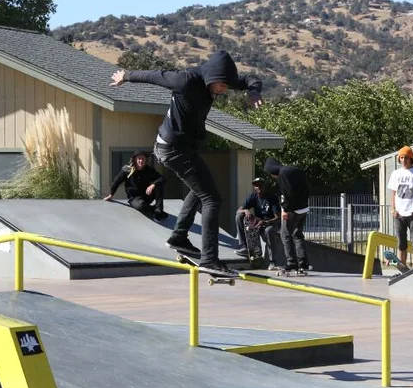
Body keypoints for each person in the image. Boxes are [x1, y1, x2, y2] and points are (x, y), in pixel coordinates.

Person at [110, 51, 262, 274]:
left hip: (184, 148)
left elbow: (249, 79)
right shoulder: (186, 80)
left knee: (199, 190)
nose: (223, 90)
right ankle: (210, 259)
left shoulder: (220, 79)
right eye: (221, 86)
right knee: (212, 198)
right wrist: (126, 75)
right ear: (210, 78)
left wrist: (254, 90)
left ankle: (179, 237)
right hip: (171, 147)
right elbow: (155, 76)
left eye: (226, 86)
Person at [264, 157, 310, 274]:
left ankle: (291, 262)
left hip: (291, 210)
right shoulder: (293, 170)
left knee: (285, 235)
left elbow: (287, 193)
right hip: (303, 208)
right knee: (297, 235)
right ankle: (303, 263)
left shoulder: (282, 174)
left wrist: (285, 209)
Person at [387, 146, 413, 267]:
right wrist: (393, 209)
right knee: (401, 243)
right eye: (401, 157)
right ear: (399, 159)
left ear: (411, 159)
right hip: (399, 214)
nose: (403, 160)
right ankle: (402, 268)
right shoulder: (396, 174)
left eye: (406, 158)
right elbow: (394, 193)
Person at [104, 150, 168, 221]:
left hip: (147, 195)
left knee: (158, 184)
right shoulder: (127, 170)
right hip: (134, 198)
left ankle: (158, 210)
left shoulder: (149, 170)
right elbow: (116, 181)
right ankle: (155, 210)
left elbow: (163, 178)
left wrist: (153, 184)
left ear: (146, 160)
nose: (141, 161)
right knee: (140, 205)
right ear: (135, 160)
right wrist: (111, 194)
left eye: (143, 159)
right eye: (139, 159)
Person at [234, 177, 281, 270]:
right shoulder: (253, 196)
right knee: (239, 216)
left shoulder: (272, 198)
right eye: (256, 185)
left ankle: (273, 262)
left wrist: (266, 222)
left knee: (268, 231)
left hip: (270, 224)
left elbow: (277, 218)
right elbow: (238, 211)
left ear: (264, 186)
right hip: (257, 223)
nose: (258, 187)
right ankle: (244, 247)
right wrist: (246, 210)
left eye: (260, 185)